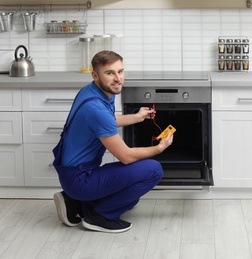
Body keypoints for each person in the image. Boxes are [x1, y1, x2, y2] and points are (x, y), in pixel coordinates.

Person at [52, 50, 173, 233]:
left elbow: (106, 122)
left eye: (121, 71)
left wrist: (137, 117)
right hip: (80, 178)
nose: (118, 79)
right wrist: (159, 147)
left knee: (132, 197)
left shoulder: (93, 91)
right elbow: (126, 157)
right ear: (95, 75)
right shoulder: (96, 109)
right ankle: (99, 215)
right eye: (110, 73)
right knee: (153, 170)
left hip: (77, 173)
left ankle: (77, 203)